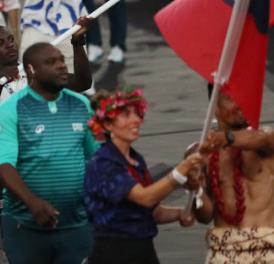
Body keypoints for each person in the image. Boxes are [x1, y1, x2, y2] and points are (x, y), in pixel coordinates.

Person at [0, 21, 93, 224]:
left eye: (10, 39)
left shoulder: (35, 72)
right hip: (5, 172)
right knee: (14, 236)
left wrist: (78, 42)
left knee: (55, 229)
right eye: (0, 43)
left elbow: (82, 82)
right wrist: (0, 83)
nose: (10, 45)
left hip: (46, 166)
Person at [0, 42, 100, 264]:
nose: (60, 66)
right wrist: (32, 202)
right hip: (24, 224)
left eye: (61, 61)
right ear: (30, 71)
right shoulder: (10, 110)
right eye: (51, 62)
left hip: (76, 223)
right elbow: (4, 167)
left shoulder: (81, 105)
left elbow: (95, 158)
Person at [84, 88, 206, 264]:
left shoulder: (135, 159)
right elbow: (145, 198)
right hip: (114, 254)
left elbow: (151, 211)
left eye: (136, 114)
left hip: (144, 252)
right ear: (108, 125)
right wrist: (181, 171)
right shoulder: (103, 163)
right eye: (126, 115)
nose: (136, 120)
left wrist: (180, 213)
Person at [196, 91, 274, 262]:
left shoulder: (267, 139)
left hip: (267, 251)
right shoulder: (200, 154)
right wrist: (195, 190)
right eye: (231, 99)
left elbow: (261, 138)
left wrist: (226, 138)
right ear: (214, 107)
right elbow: (205, 216)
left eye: (243, 97)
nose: (239, 105)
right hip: (223, 252)